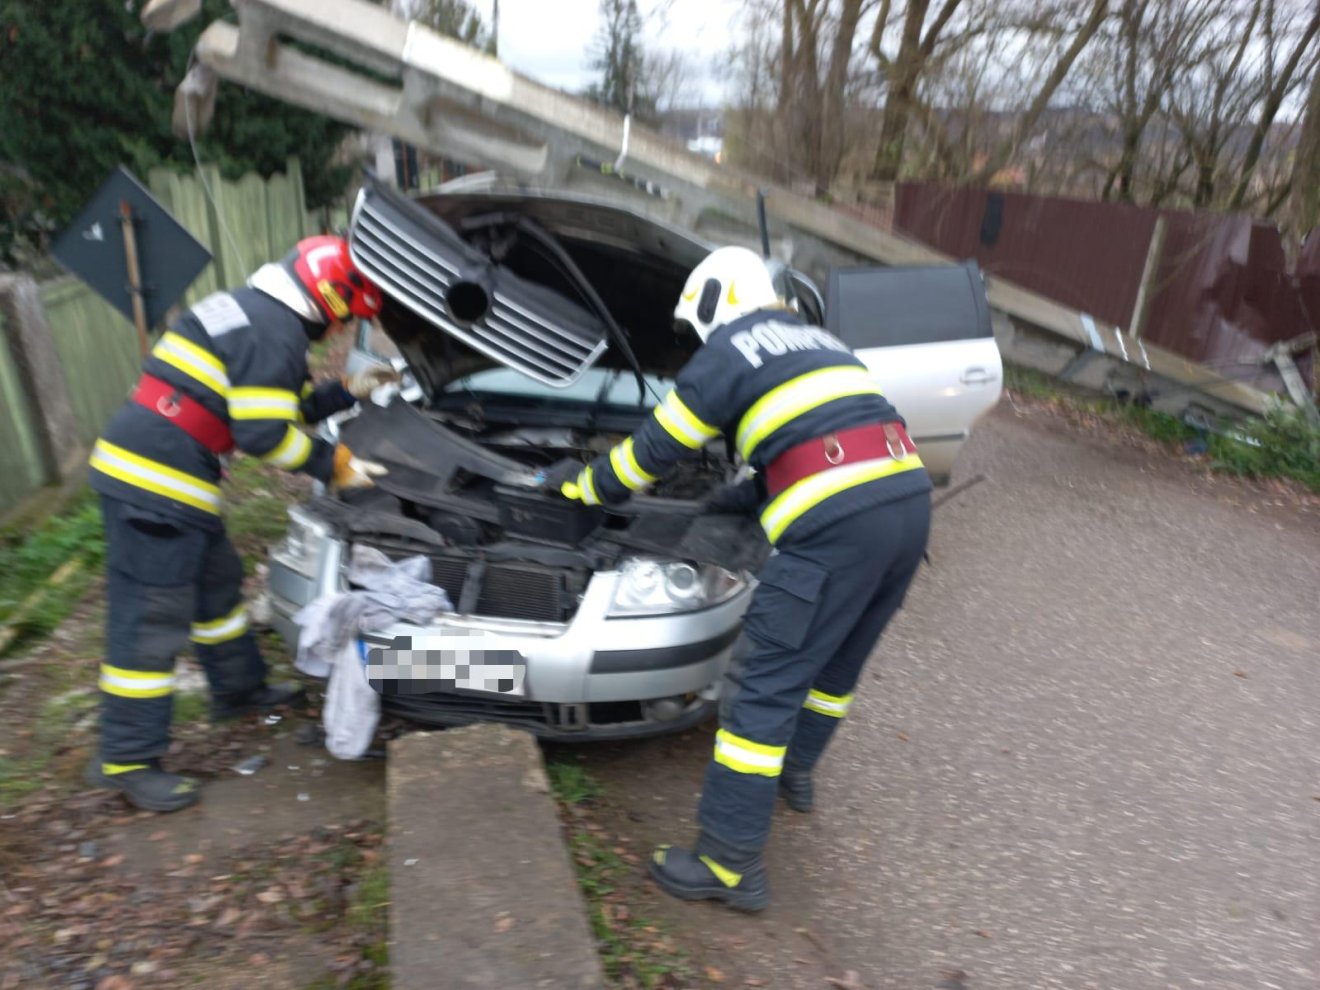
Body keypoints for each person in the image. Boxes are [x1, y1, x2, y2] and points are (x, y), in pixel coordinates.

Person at [558, 246, 933, 911]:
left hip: (839, 530)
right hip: (907, 506)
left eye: (696, 324)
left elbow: (652, 454)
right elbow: (812, 432)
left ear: (715, 303)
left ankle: (729, 864)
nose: (696, 338)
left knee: (762, 688)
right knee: (836, 667)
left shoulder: (729, 350)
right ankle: (797, 774)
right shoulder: (818, 340)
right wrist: (746, 498)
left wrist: (581, 487)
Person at [84, 235, 395, 813]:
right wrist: (338, 466)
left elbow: (278, 405)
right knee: (151, 621)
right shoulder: (273, 331)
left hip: (167, 479)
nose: (337, 329)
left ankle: (237, 689)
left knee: (216, 587)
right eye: (344, 316)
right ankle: (126, 760)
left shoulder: (256, 314)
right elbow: (263, 435)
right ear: (329, 297)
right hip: (153, 485)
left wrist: (346, 390)